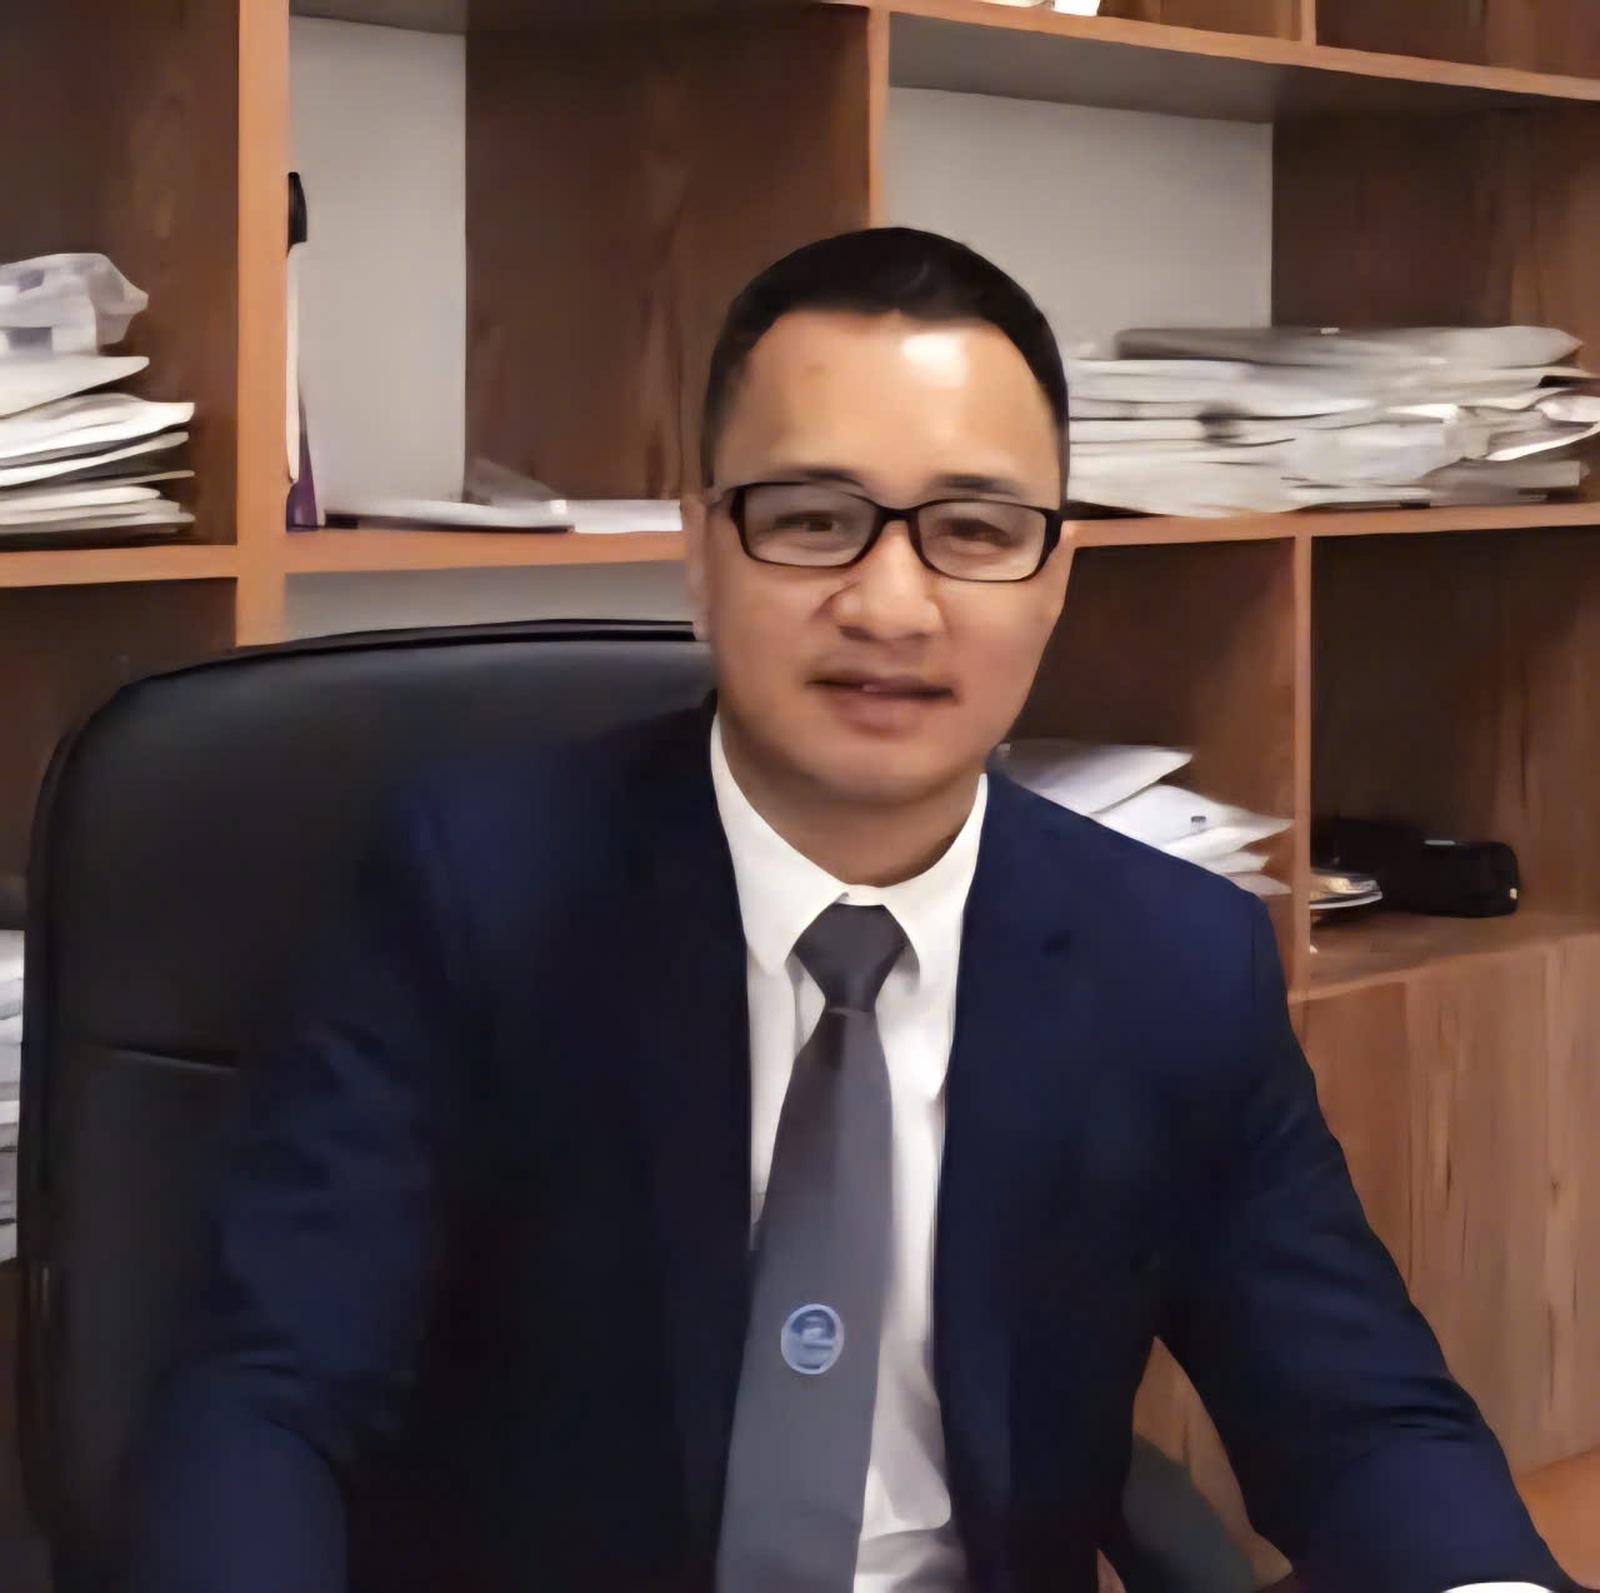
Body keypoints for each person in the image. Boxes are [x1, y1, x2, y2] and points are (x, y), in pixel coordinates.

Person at [126, 229, 1574, 1593]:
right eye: (813, 520)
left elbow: (1364, 1419)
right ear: (702, 550)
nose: (892, 604)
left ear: (1055, 577)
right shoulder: (476, 896)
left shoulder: (1174, 965)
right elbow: (270, 1393)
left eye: (973, 529)